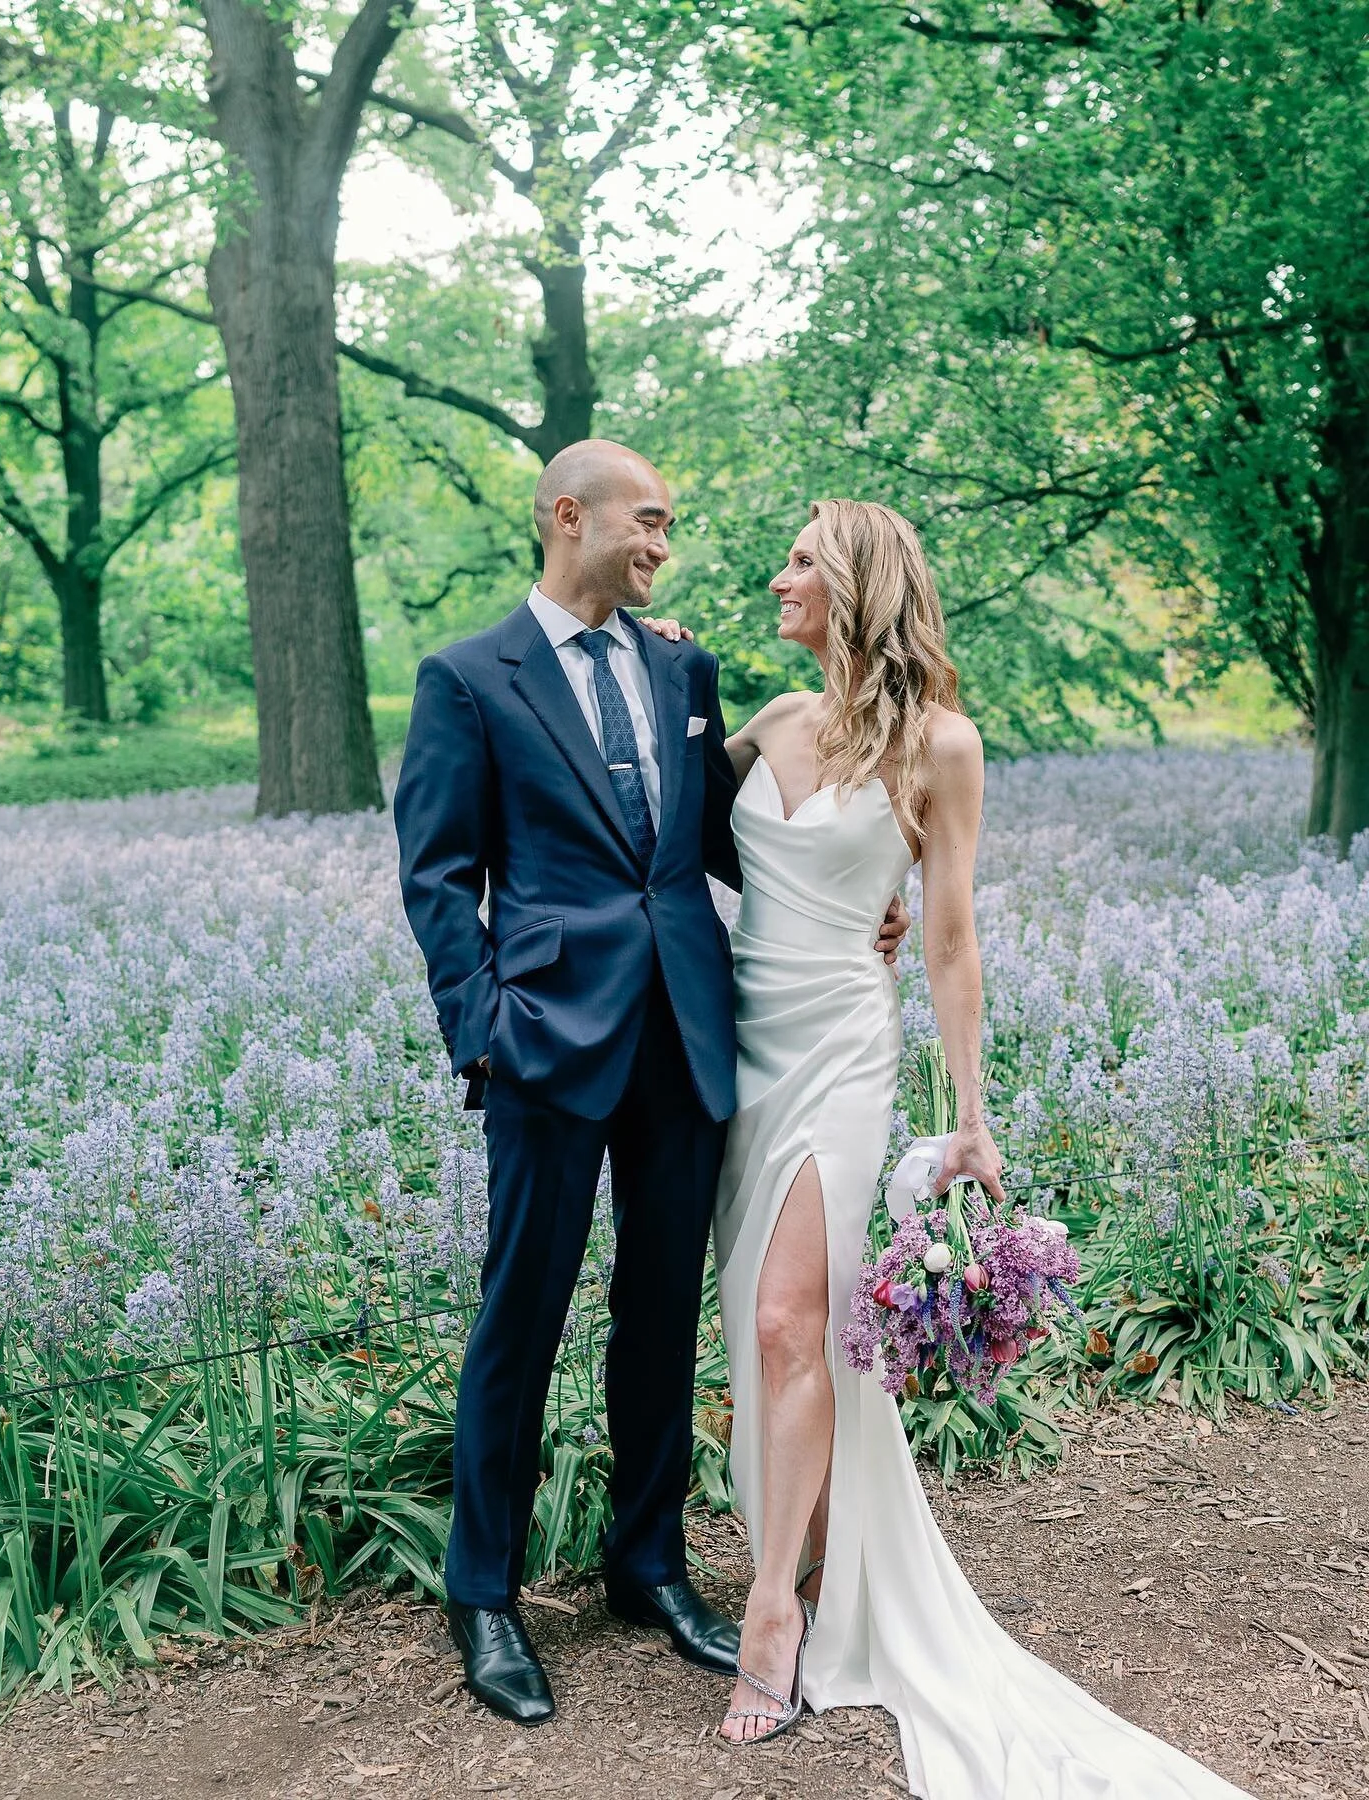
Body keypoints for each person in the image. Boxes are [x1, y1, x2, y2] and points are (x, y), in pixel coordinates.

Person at [646, 499, 1251, 1795]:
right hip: (742, 1063)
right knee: (766, 1326)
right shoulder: (770, 724)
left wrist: (969, 1113)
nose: (777, 576)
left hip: (844, 1067)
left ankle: (771, 1612)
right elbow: (681, 857)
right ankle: (806, 1556)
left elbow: (949, 936)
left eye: (799, 558)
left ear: (859, 580)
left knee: (785, 1322)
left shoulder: (943, 745)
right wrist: (664, 672)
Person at [393, 443, 908, 1727]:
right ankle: (486, 1593)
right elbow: (438, 874)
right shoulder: (467, 678)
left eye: (669, 527)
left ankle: (648, 1564)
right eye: (649, 522)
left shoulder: (683, 667)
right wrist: (485, 1031)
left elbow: (711, 839)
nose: (663, 546)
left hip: (689, 1030)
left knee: (662, 1313)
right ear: (570, 516)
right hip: (547, 1044)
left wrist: (864, 912)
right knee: (524, 1309)